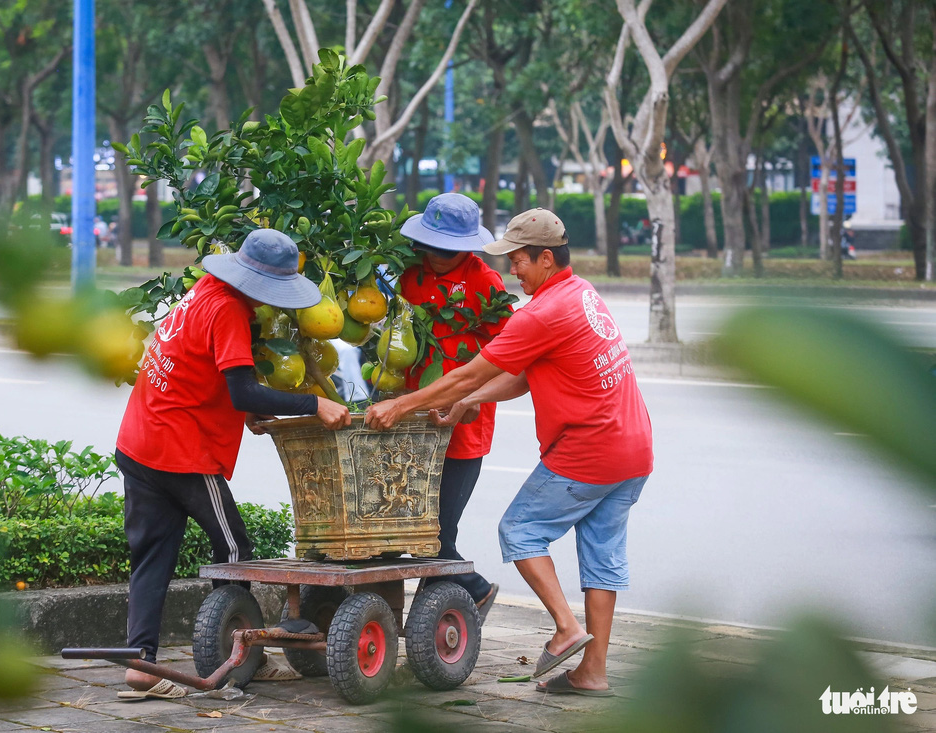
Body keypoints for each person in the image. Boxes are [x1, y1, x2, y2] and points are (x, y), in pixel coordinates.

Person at [366, 208, 652, 697]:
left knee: (519, 529)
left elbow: (469, 371)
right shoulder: (581, 295)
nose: (510, 271)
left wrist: (401, 404)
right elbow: (521, 376)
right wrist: (465, 403)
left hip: (588, 449)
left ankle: (566, 627)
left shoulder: (542, 312)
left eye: (518, 260)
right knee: (602, 561)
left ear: (545, 258)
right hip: (633, 449)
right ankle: (592, 672)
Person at [115, 228, 351, 698]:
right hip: (181, 452)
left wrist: (248, 411)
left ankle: (139, 668)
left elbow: (202, 372)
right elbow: (241, 388)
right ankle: (238, 660)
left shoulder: (201, 292)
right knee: (236, 553)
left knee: (152, 559)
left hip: (139, 443)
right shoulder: (228, 311)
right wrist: (313, 404)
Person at [396, 192, 511, 621]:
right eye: (433, 246)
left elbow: (509, 360)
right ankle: (436, 618)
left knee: (439, 536)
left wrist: (466, 400)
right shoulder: (408, 271)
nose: (439, 256)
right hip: (412, 418)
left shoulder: (487, 284)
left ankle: (475, 593)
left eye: (450, 249)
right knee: (415, 532)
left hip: (463, 426)